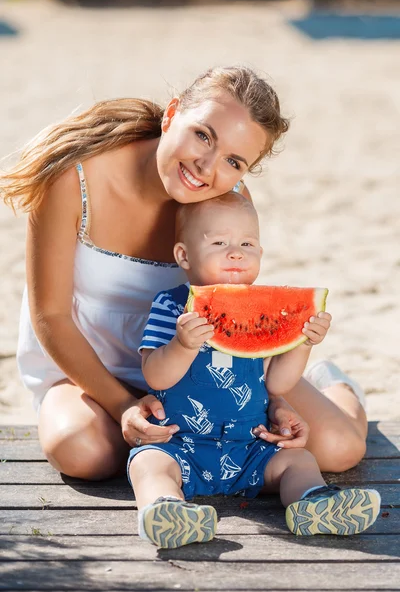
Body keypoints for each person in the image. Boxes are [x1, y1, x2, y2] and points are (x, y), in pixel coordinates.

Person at [0, 66, 367, 481]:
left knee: (340, 448)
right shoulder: (73, 178)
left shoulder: (229, 201)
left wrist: (272, 401)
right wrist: (123, 405)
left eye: (233, 161)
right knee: (84, 452)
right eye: (203, 135)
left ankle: (334, 383)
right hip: (86, 368)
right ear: (172, 113)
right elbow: (49, 316)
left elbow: (234, 306)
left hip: (199, 372)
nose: (206, 167)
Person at [129, 191, 380, 548]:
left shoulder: (262, 312)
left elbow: (278, 381)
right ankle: (165, 509)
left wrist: (303, 342)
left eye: (248, 243)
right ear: (183, 255)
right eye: (219, 242)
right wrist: (182, 346)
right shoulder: (170, 306)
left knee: (299, 460)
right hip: (178, 444)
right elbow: (155, 376)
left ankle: (314, 502)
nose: (236, 252)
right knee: (148, 465)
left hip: (252, 447)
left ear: (260, 253)